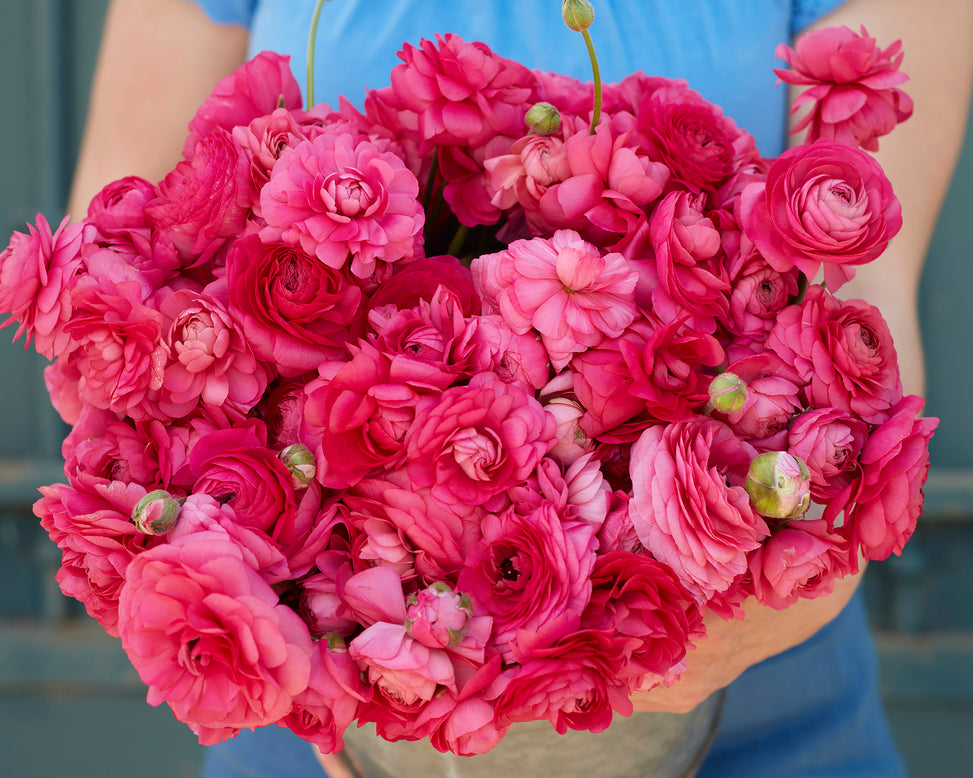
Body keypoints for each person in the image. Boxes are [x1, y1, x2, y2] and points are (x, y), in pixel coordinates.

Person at [67, 1, 973, 776]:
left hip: (756, 690)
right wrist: (310, 654)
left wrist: (760, 603)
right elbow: (111, 280)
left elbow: (867, 328)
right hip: (307, 702)